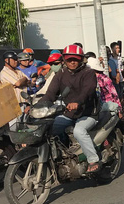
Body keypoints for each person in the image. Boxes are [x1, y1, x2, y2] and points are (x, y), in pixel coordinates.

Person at [42, 44, 101, 173]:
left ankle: (93, 159)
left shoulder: (88, 72)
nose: (72, 62)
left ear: (81, 59)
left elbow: (88, 91)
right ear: (64, 60)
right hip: (69, 113)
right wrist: (37, 106)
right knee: (51, 128)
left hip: (88, 113)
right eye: (69, 59)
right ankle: (65, 152)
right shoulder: (61, 74)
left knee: (79, 131)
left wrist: (77, 102)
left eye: (75, 59)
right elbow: (50, 94)